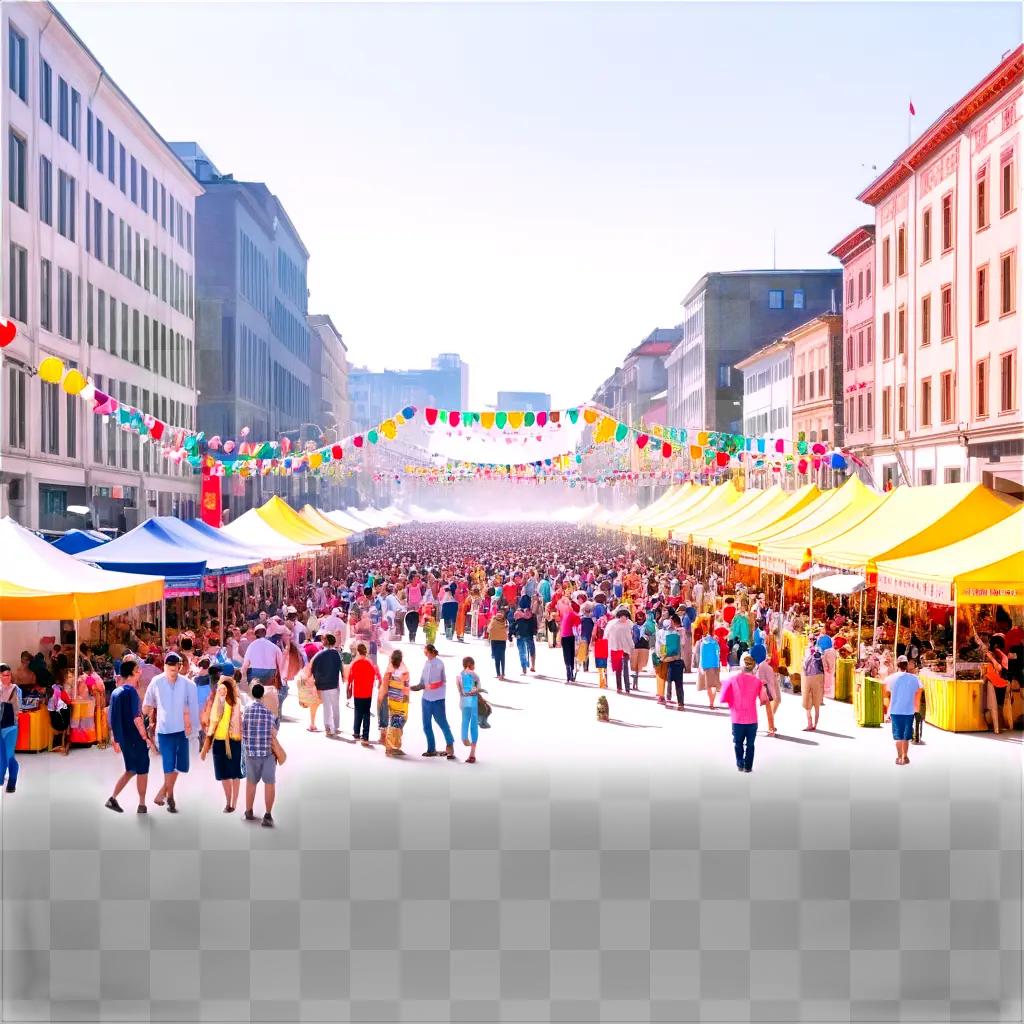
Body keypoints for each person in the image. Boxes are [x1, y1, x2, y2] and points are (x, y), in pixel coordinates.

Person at [143, 652, 199, 814]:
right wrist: (143, 715)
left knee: (179, 766)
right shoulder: (156, 682)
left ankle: (164, 792)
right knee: (169, 764)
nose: (173, 667)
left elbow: (193, 708)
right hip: (164, 730)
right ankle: (170, 796)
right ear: (165, 666)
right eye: (170, 665)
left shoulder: (188, 685)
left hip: (182, 731)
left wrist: (195, 729)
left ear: (180, 666)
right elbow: (147, 705)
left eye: (176, 665)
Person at [105, 659, 158, 813]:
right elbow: (137, 718)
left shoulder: (116, 692)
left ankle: (113, 798)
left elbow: (112, 717)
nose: (140, 671)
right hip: (135, 738)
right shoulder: (131, 692)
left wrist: (116, 739)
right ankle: (141, 804)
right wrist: (146, 738)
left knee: (131, 770)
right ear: (132, 673)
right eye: (137, 669)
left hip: (125, 739)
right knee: (142, 770)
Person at [201, 673, 244, 811]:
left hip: (231, 741)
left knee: (232, 774)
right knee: (228, 774)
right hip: (223, 742)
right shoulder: (217, 702)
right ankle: (230, 802)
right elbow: (211, 722)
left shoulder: (236, 702)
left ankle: (232, 803)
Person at [720, 653, 769, 773]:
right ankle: (748, 766)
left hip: (737, 718)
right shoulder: (757, 682)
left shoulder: (732, 679)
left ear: (742, 666)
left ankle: (740, 762)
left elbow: (723, 697)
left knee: (738, 743)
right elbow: (764, 700)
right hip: (752, 719)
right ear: (753, 667)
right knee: (750, 745)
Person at [242, 683, 278, 827]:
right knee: (269, 783)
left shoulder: (246, 711)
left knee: (251, 782)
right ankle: (268, 815)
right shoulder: (269, 712)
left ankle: (249, 811)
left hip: (251, 752)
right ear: (262, 695)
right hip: (267, 753)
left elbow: (242, 731)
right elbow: (274, 733)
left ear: (252, 693)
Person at [410, 645, 456, 759]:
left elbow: (440, 682)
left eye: (426, 652)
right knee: (426, 725)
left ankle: (450, 745)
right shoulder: (426, 663)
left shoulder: (439, 664)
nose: (425, 654)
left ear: (432, 652)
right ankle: (431, 748)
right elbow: (423, 679)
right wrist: (418, 686)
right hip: (426, 698)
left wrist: (423, 686)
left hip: (437, 698)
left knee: (442, 722)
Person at [883, 656, 922, 766]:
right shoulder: (915, 679)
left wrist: (887, 713)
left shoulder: (890, 678)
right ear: (907, 665)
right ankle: (905, 756)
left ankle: (899, 756)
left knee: (898, 735)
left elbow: (886, 696)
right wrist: (917, 708)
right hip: (909, 710)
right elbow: (918, 693)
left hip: (895, 710)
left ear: (897, 665)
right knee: (906, 734)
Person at [349, 643, 381, 747]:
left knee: (358, 711)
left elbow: (350, 677)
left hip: (358, 691)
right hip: (368, 691)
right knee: (366, 712)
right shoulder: (370, 662)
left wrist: (348, 687)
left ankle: (356, 732)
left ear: (358, 651)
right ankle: (365, 736)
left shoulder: (355, 663)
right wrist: (379, 681)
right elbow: (376, 673)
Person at [382, 649, 410, 756]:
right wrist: (406, 700)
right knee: (398, 722)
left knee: (393, 721)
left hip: (391, 699)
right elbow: (406, 686)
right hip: (401, 700)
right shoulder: (404, 671)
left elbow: (385, 684)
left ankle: (390, 746)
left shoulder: (389, 669)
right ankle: (392, 747)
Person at [0, 663, 23, 794]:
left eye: (8, 675)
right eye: (4, 675)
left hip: (11, 727)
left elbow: (17, 708)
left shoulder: (16, 689)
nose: (7, 678)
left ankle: (12, 779)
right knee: (1, 755)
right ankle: (1, 777)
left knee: (9, 755)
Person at [459, 656, 484, 763]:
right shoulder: (474, 675)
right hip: (472, 703)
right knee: (473, 725)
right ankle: (472, 751)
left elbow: (460, 690)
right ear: (471, 665)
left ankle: (465, 739)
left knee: (465, 722)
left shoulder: (460, 675)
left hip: (465, 702)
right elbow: (477, 688)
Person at [240, 624, 282, 689]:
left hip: (256, 673)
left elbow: (245, 664)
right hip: (270, 673)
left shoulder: (252, 646)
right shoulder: (273, 646)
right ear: (265, 633)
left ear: (255, 634)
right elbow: (280, 662)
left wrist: (241, 676)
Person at [604, 607, 634, 693]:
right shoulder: (612, 624)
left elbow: (631, 636)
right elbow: (607, 635)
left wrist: (632, 646)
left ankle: (627, 687)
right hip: (616, 648)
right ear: (619, 616)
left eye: (626, 616)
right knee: (618, 669)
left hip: (626, 649)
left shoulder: (629, 624)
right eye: (622, 616)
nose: (624, 618)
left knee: (625, 668)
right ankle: (619, 687)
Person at [801, 642, 826, 732]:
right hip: (818, 680)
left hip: (808, 679)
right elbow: (823, 672)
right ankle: (814, 725)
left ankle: (810, 724)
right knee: (816, 706)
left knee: (808, 705)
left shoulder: (807, 657)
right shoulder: (819, 657)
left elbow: (803, 670)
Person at [487, 608, 508, 680]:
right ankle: (503, 673)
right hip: (502, 641)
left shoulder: (493, 620)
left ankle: (498, 674)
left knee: (496, 658)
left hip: (494, 641)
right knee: (502, 657)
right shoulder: (505, 621)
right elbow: (507, 630)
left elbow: (488, 629)